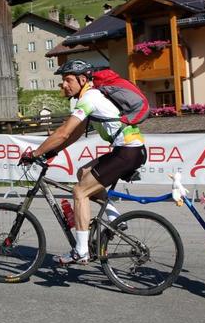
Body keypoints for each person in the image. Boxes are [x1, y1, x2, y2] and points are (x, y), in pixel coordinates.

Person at [19, 60, 147, 264]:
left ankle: (81, 251)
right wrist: (52, 152)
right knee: (83, 172)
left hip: (127, 151)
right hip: (129, 150)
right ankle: (115, 219)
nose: (64, 85)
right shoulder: (90, 97)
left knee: (79, 192)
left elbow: (62, 132)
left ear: (82, 79)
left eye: (68, 80)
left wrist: (35, 153)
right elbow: (74, 134)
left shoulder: (90, 97)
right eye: (63, 81)